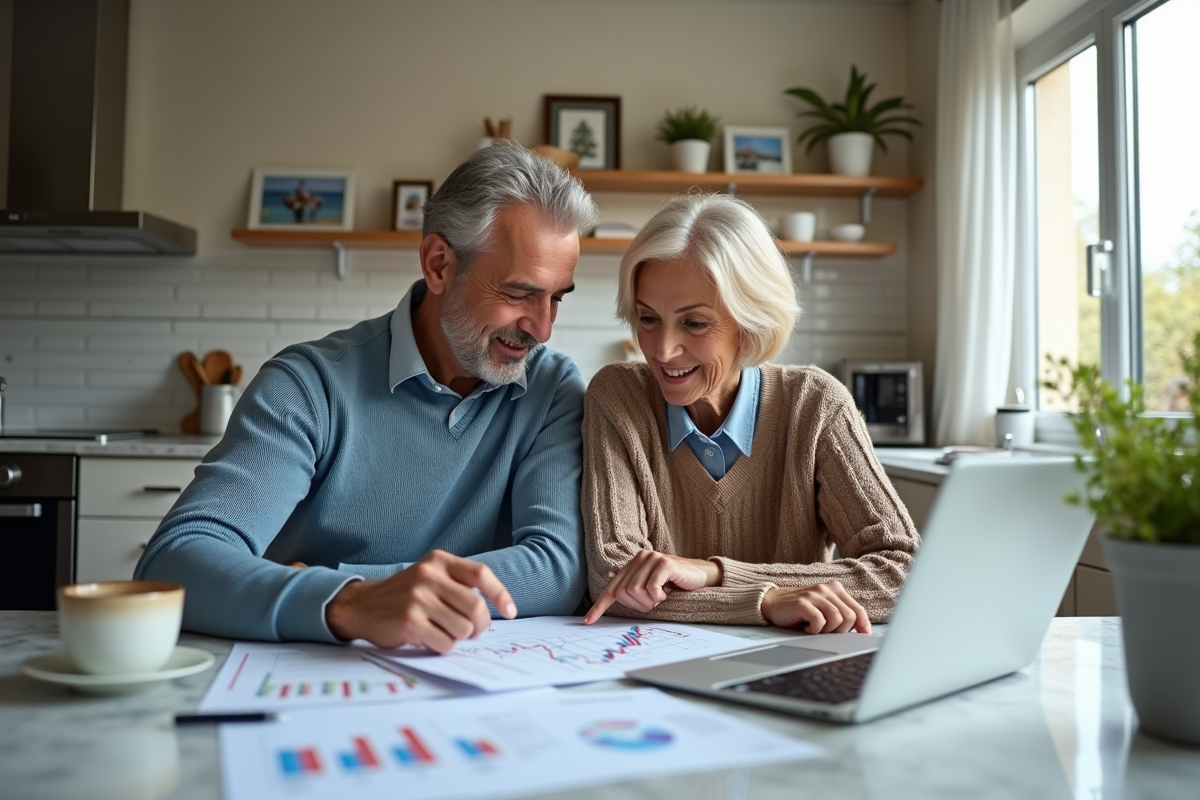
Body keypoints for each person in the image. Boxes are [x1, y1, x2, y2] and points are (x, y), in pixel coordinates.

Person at [137, 141, 599, 651]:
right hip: (314, 682)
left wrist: (363, 585)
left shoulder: (552, 390)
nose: (543, 328)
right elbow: (174, 562)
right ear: (439, 264)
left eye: (556, 298)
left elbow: (557, 568)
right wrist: (348, 603)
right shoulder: (308, 386)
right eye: (519, 294)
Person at [581, 194, 920, 634]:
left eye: (695, 323)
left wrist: (715, 573)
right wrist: (765, 600)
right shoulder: (618, 396)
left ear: (751, 320)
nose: (662, 351)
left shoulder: (815, 405)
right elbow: (616, 581)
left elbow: (906, 574)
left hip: (791, 669)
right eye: (648, 319)